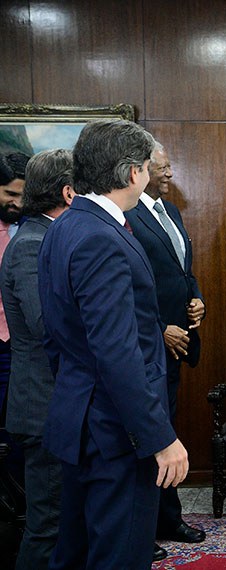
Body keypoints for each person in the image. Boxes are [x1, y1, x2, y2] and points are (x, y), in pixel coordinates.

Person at [38, 119, 188, 569]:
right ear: (132, 174)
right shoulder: (102, 237)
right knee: (120, 555)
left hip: (84, 419)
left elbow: (57, 338)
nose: (149, 175)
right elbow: (119, 352)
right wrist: (159, 437)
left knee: (79, 552)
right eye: (147, 166)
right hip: (115, 432)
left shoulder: (66, 227)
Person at [126, 142, 206, 551]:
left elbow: (180, 271)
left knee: (166, 430)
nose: (170, 173)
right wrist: (160, 329)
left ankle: (168, 521)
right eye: (162, 167)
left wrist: (196, 298)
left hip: (177, 346)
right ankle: (142, 530)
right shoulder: (126, 215)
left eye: (171, 165)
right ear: (140, 170)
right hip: (148, 345)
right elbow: (130, 291)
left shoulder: (170, 212)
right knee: (146, 436)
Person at [0, 149, 74, 569]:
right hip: (42, 407)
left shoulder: (43, 237)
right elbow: (47, 325)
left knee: (62, 521)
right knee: (47, 525)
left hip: (53, 405)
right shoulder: (32, 245)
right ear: (67, 192)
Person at [0, 152, 29, 415]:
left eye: (23, 196)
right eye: (10, 194)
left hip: (22, 348)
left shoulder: (36, 229)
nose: (16, 203)